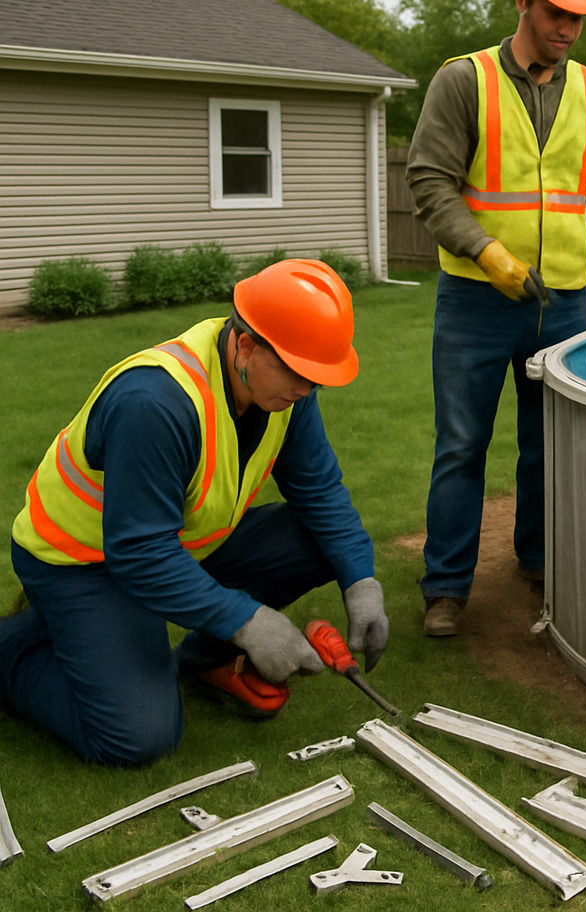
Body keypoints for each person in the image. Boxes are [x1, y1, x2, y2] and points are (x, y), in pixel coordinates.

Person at [0, 259, 388, 767]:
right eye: (298, 372)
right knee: (139, 737)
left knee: (323, 544)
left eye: (317, 378)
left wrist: (361, 581)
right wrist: (247, 621)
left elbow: (320, 490)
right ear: (245, 345)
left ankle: (205, 660)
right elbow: (139, 554)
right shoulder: (155, 402)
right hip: (83, 563)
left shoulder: (284, 393)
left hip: (176, 544)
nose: (307, 390)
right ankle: (14, 651)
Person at [407, 0, 586, 637]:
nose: (568, 29)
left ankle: (540, 560)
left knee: (552, 445)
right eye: (555, 13)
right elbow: (428, 180)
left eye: (579, 16)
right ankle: (446, 588)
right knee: (461, 443)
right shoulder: (463, 81)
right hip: (478, 301)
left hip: (564, 304)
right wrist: (485, 252)